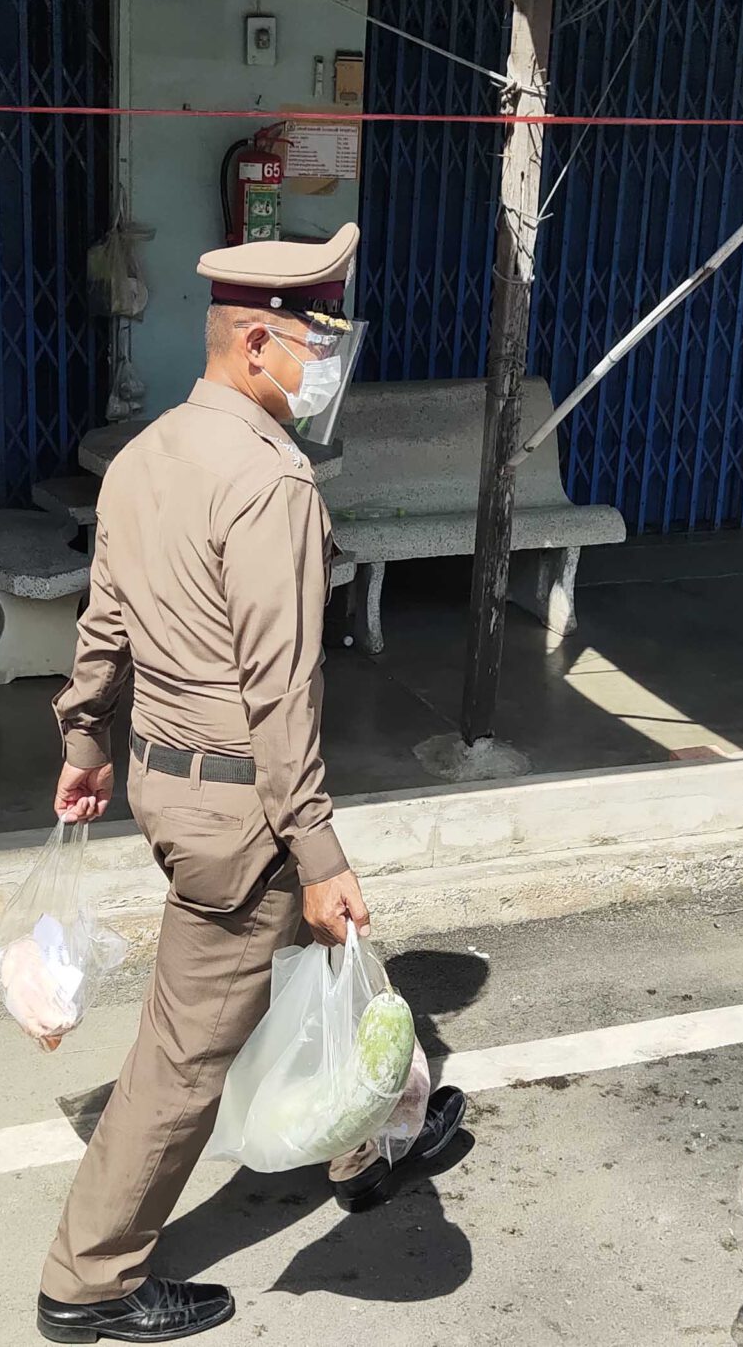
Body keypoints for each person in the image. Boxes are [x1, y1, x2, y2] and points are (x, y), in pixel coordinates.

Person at [36, 223, 469, 1343]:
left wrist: (84, 742)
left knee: (331, 959)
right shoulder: (272, 482)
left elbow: (103, 622)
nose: (329, 364)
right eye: (319, 342)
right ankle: (88, 1279)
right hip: (247, 807)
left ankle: (377, 1136)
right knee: (185, 1053)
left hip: (172, 783)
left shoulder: (147, 454)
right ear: (259, 342)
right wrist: (317, 847)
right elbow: (280, 689)